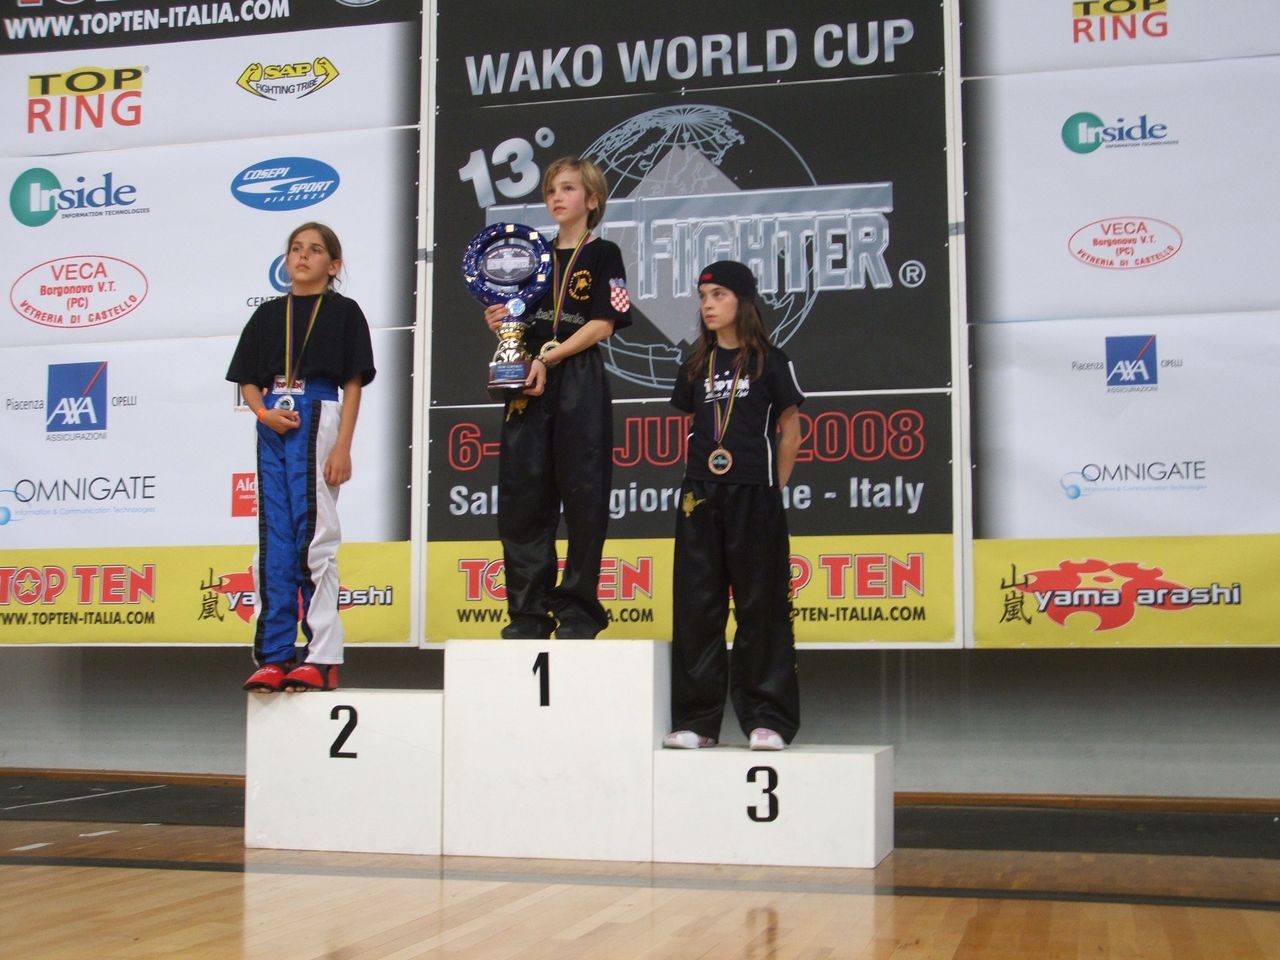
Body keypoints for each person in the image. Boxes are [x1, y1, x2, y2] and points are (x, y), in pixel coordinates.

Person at [482, 157, 631, 640]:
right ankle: (527, 613)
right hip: (528, 379)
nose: (556, 197)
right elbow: (518, 322)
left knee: (585, 497)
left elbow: (604, 324)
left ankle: (579, 611)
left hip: (577, 376)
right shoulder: (531, 256)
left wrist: (552, 356)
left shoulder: (604, 253)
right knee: (524, 498)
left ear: (592, 199)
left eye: (568, 188)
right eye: (550, 191)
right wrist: (502, 324)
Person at [228, 222, 375, 692]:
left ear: (333, 265)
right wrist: (262, 413)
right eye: (295, 248)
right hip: (273, 419)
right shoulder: (268, 314)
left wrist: (343, 445)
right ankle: (274, 655)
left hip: (319, 412)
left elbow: (353, 383)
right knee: (274, 541)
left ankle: (322, 656)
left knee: (314, 539)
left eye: (314, 250)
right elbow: (247, 380)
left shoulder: (344, 311)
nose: (302, 256)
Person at [663, 261, 803, 751]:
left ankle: (767, 719)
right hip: (700, 496)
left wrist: (771, 488)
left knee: (760, 608)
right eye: (703, 297)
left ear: (743, 301)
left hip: (754, 495)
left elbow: (791, 431)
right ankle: (697, 722)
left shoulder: (771, 361)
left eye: (718, 295)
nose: (708, 305)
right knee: (696, 608)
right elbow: (691, 426)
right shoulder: (695, 364)